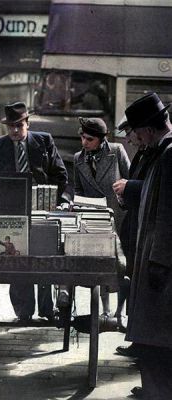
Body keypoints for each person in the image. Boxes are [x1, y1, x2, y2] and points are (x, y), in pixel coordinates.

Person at [0, 101, 71, 322]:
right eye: (10, 126)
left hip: (42, 209)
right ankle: (23, 311)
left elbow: (60, 174)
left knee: (43, 258)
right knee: (17, 260)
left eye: (19, 126)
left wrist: (52, 199)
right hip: (11, 211)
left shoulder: (43, 141)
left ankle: (46, 309)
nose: (14, 131)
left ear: (27, 124)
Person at [122, 93, 172, 399]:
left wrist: (158, 263)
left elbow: (168, 215)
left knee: (157, 346)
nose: (136, 140)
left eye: (138, 133)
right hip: (157, 262)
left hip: (161, 270)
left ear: (150, 130)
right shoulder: (162, 152)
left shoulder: (169, 155)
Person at [74, 117, 130, 316]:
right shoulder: (78, 158)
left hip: (119, 217)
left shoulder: (116, 152)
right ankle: (105, 311)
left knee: (122, 266)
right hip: (95, 220)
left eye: (89, 139)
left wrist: (122, 191)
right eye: (82, 138)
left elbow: (129, 180)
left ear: (101, 139)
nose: (84, 143)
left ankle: (120, 312)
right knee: (101, 266)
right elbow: (78, 189)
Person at [112, 120, 155, 337]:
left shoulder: (159, 153)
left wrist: (128, 186)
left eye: (130, 133)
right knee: (130, 277)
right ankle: (133, 334)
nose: (128, 139)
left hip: (146, 228)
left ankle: (139, 338)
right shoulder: (142, 153)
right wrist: (123, 197)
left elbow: (152, 186)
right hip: (133, 224)